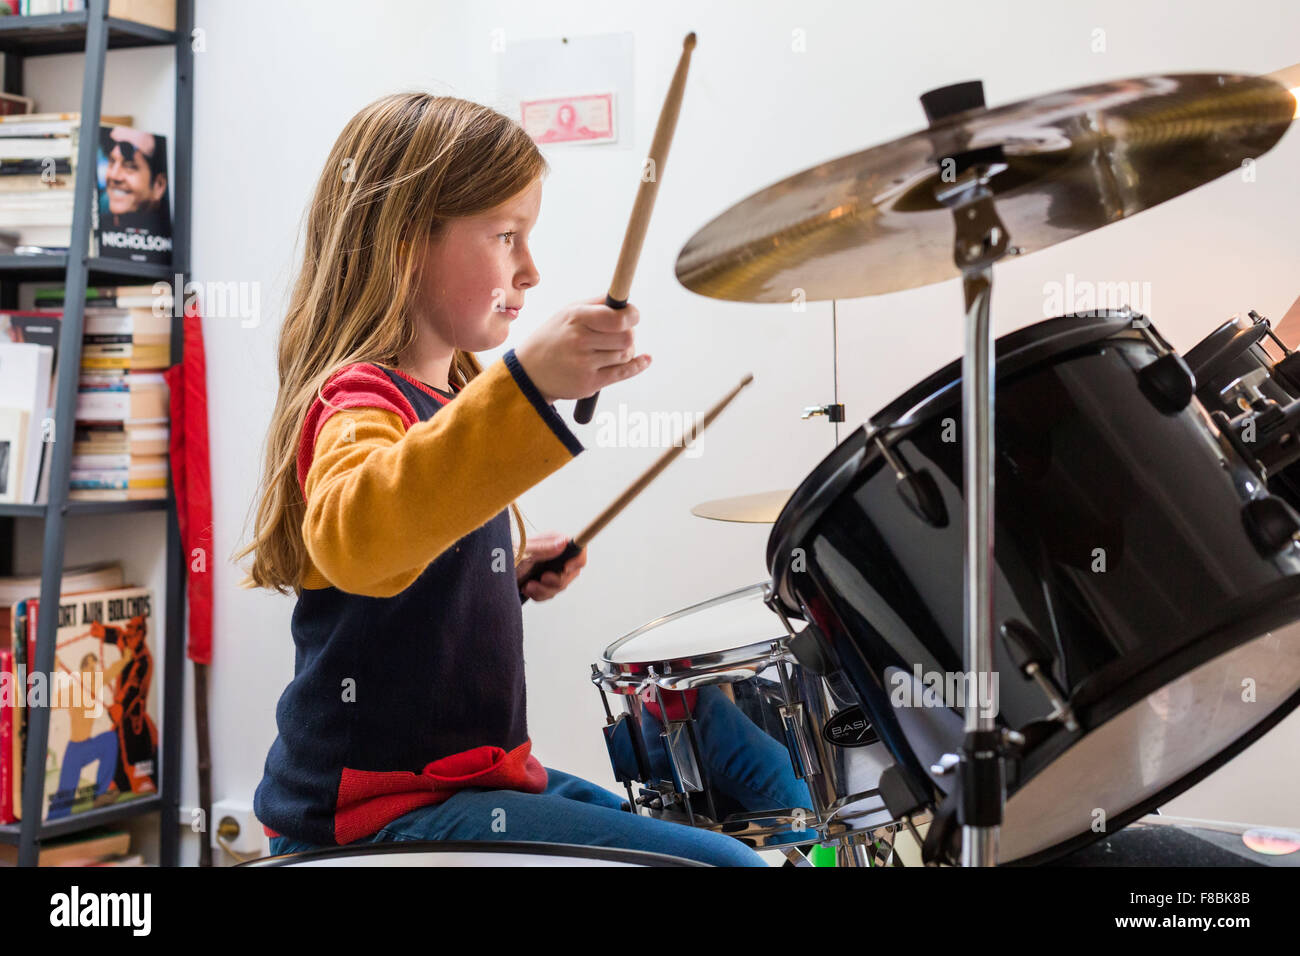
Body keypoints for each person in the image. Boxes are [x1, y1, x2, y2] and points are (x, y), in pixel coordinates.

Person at [234, 93, 805, 867]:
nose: (530, 271)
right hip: (381, 811)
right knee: (730, 864)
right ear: (405, 245)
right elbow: (361, 541)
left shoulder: (451, 400)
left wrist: (509, 567)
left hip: (479, 784)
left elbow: (421, 552)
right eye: (507, 236)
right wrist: (524, 383)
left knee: (767, 811)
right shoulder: (359, 397)